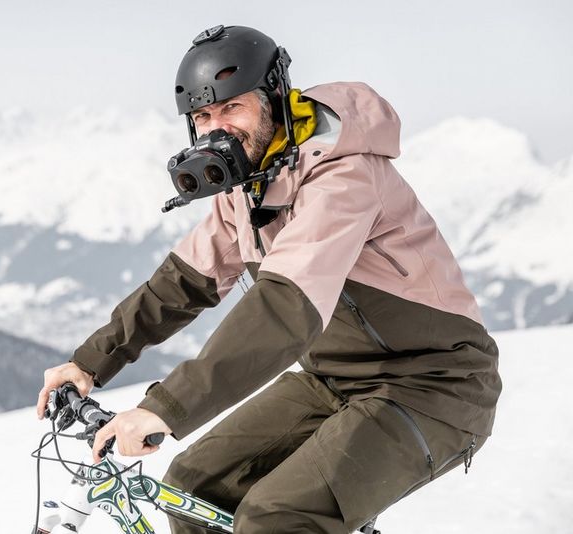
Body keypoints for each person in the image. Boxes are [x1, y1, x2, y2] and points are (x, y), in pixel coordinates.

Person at [37, 24, 501, 534]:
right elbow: (183, 283)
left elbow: (285, 310)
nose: (219, 129)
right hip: (335, 383)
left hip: (433, 387)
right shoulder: (249, 186)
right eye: (204, 116)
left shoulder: (344, 176)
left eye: (232, 108)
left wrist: (163, 409)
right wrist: (90, 361)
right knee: (190, 487)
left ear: (275, 98)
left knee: (276, 518)